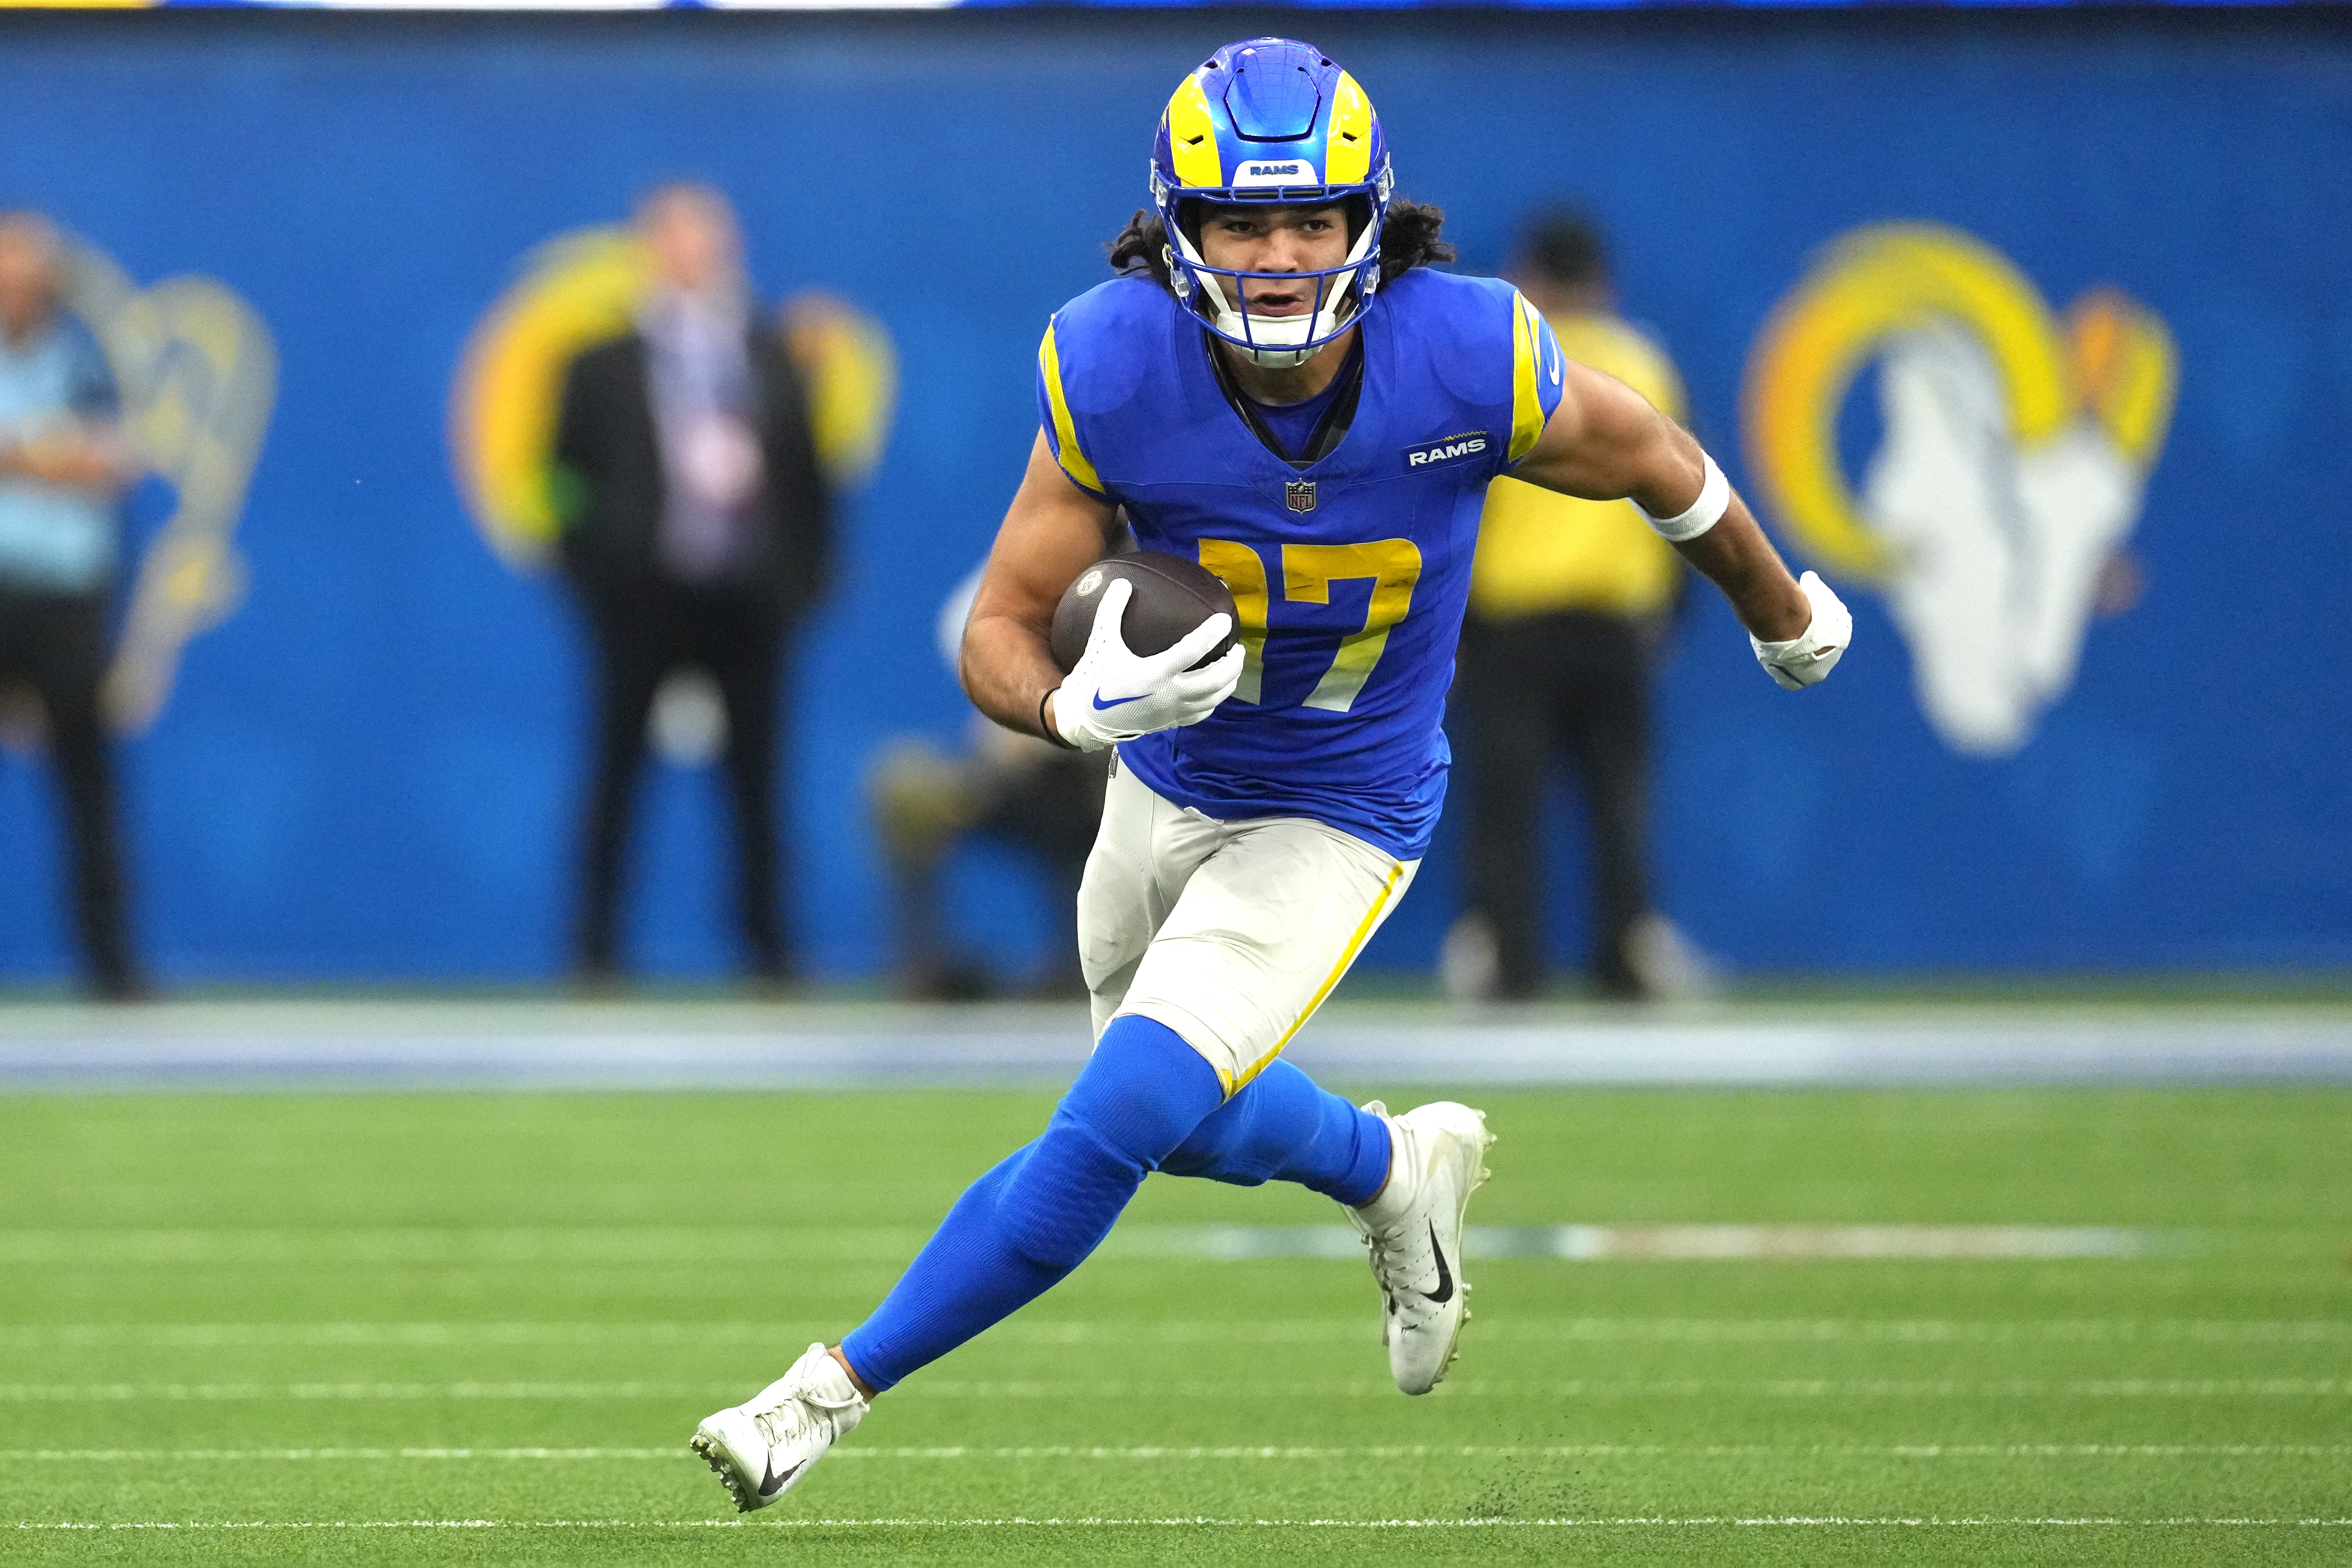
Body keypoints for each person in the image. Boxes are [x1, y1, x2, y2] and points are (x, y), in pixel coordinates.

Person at [690, 39, 1850, 1510]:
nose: (1282, 253)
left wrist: (1778, 609)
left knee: (1117, 1116)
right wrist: (1069, 710)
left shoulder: (1464, 351)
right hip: (1162, 784)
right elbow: (997, 625)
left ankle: (822, 1395)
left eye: (1311, 217)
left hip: (1339, 809)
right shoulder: (1115, 361)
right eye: (1242, 222)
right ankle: (1389, 1172)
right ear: (1177, 227)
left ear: (1368, 218)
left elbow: (1651, 455)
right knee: (1175, 1124)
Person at [551, 183, 832, 988]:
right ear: (648, 248)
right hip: (643, 597)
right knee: (615, 774)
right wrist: (596, 575)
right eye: (674, 236)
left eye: (703, 235)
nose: (690, 252)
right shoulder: (601, 363)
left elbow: (809, 477)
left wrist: (800, 584)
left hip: (747, 597)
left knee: (758, 782)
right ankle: (595, 951)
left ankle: (770, 951)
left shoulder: (770, 353)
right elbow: (561, 483)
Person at [1447, 211, 1705, 1002]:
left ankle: (1509, 963)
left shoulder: (1507, 359)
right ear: (1602, 280)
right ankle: (1627, 955)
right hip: (1614, 624)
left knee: (1506, 805)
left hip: (1512, 625)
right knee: (1618, 803)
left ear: (1529, 273)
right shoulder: (1643, 363)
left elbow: (1458, 496)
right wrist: (1673, 610)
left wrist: (1448, 627)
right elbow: (1686, 491)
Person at [0, 211, 142, 1000]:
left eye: (28, 281)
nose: (15, 294)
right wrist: (49, 455)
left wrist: (24, 456)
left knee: (87, 783)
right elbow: (70, 457)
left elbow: (113, 460)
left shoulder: (81, 363)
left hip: (64, 596)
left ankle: (111, 964)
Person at [868, 567, 1108, 1000]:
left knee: (1103, 796)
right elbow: (995, 727)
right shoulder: (1009, 583)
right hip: (1008, 774)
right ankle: (926, 968)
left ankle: (1087, 967)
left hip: (1101, 776)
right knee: (907, 789)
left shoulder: (1140, 586)